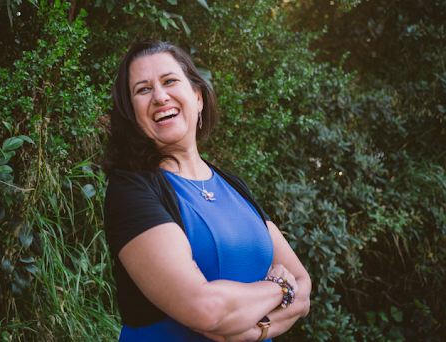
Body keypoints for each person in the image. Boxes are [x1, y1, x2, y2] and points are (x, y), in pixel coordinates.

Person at [102, 39, 311, 342]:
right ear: (133, 116)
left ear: (197, 97)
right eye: (143, 89)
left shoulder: (233, 186)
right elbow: (205, 309)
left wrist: (256, 330)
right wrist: (280, 288)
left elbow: (303, 287)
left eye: (170, 81)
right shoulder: (131, 189)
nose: (160, 96)